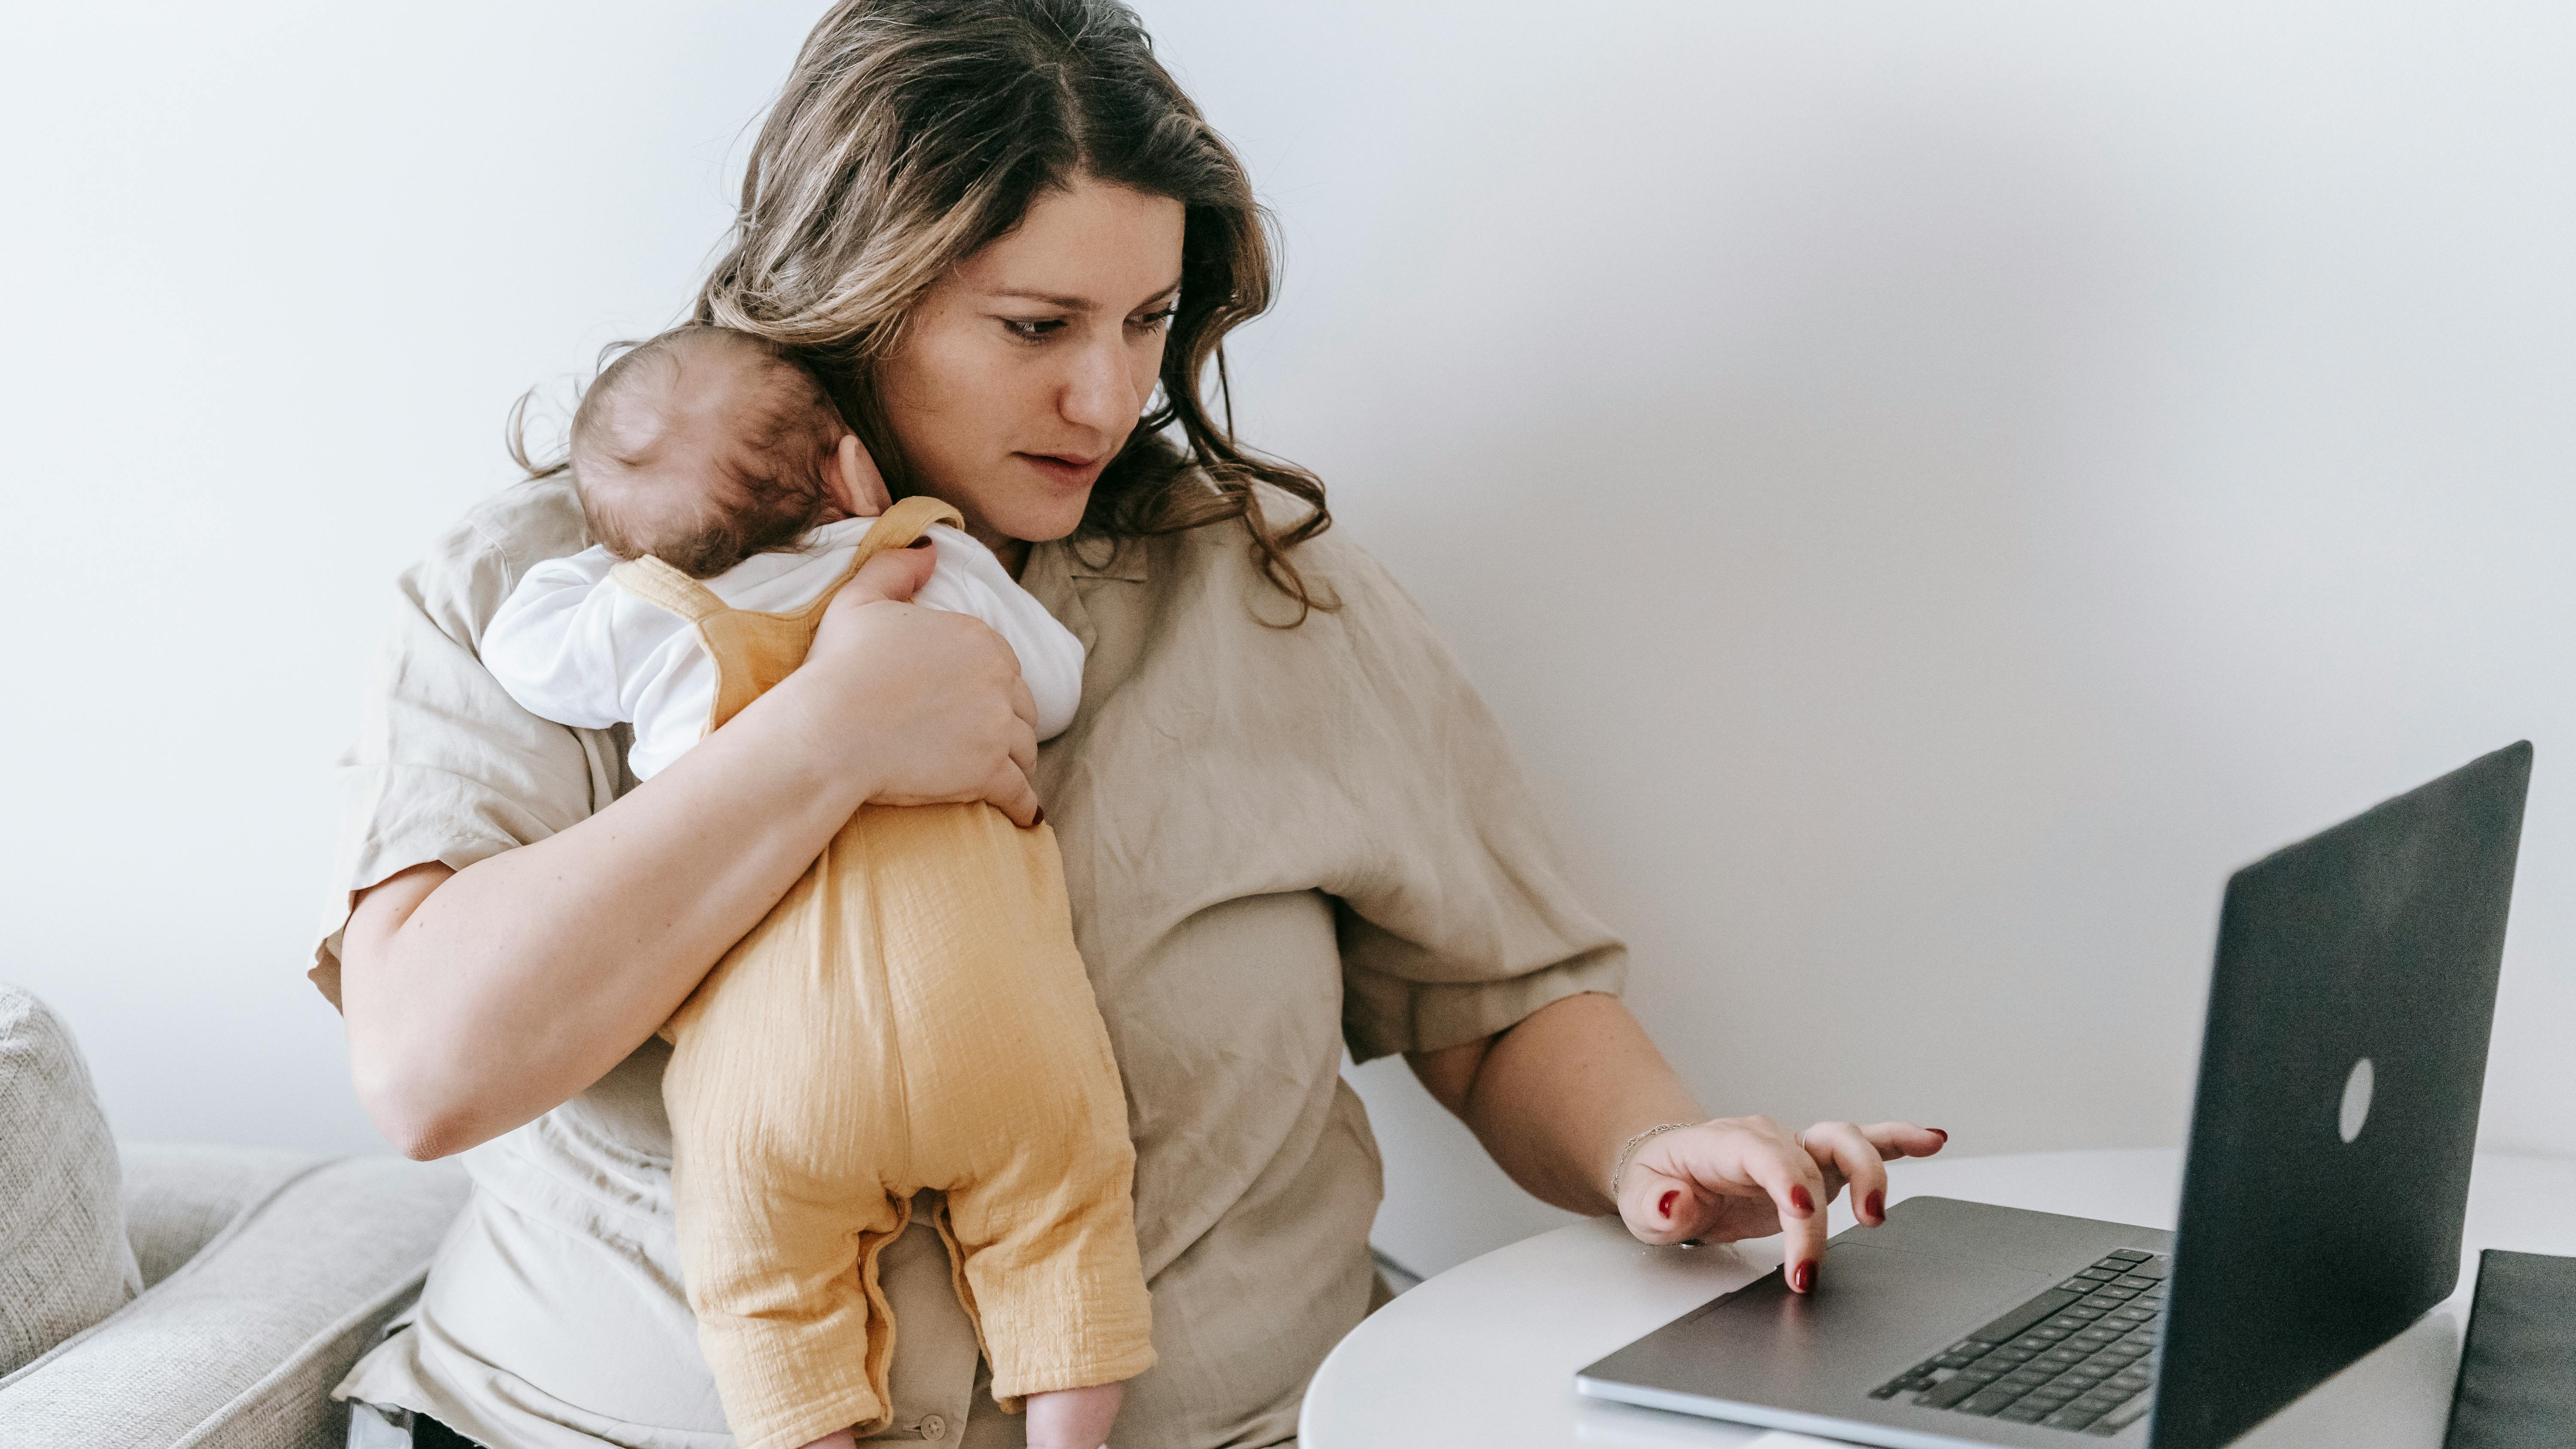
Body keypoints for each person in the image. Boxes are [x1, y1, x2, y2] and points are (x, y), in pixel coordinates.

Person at [319, 3, 1947, 1446]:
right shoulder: (552, 599)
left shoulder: (1265, 597)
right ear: (849, 296)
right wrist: (824, 740)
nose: (1108, 399)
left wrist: (1657, 1150)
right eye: (1036, 328)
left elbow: (1494, 1001)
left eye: (1147, 323)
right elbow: (430, 1069)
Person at [477, 323, 1147, 1449]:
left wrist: (623, 552)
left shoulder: (652, 620)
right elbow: (1055, 687)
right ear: (850, 468)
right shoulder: (930, 562)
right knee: (1067, 1218)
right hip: (990, 1015)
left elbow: (521, 646)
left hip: (775, 1069)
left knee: (762, 1286)